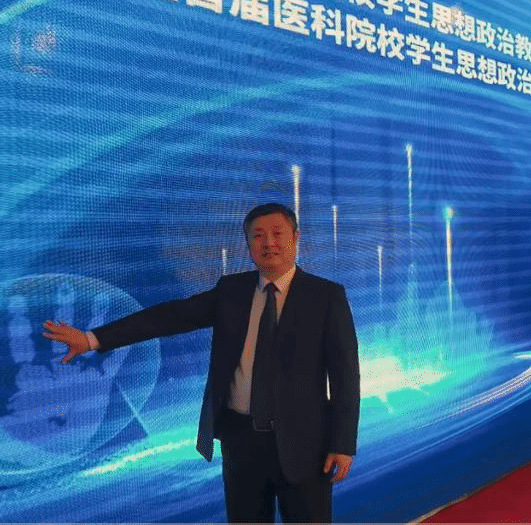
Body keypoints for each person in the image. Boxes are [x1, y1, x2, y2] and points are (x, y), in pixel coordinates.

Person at [43, 203, 360, 522]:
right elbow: (170, 317)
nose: (268, 243)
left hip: (306, 445)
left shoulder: (326, 296)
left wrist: (343, 443)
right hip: (241, 442)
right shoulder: (232, 291)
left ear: (296, 238)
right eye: (258, 236)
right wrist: (93, 339)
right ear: (248, 244)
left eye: (277, 234)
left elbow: (345, 377)